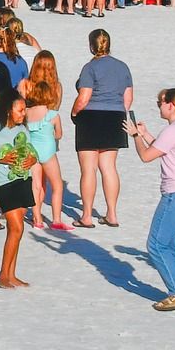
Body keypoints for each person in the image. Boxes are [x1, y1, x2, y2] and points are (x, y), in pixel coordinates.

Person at [129, 87, 175, 312]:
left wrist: (134, 137)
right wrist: (145, 134)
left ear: (171, 105)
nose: (158, 105)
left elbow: (146, 156)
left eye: (160, 102)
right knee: (174, 246)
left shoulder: (173, 130)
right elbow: (164, 148)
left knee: (156, 244)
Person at [70, 29, 132, 227]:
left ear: (91, 46)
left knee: (89, 169)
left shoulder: (90, 67)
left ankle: (87, 215)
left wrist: (74, 112)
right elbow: (128, 100)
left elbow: (84, 96)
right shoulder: (123, 67)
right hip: (115, 116)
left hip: (92, 116)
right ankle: (112, 214)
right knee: (109, 167)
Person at [0, 88, 36, 288]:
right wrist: (0, 158)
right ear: (7, 110)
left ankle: (11, 274)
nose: (23, 114)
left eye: (24, 110)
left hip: (23, 180)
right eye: (20, 110)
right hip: (3, 183)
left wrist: (33, 159)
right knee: (16, 227)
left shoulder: (23, 130)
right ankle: (3, 275)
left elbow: (31, 152)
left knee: (17, 231)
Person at [23, 50, 67, 229]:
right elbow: (56, 111)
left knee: (36, 183)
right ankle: (56, 219)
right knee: (55, 183)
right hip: (48, 143)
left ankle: (37, 218)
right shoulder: (57, 87)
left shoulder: (26, 85)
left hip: (31, 143)